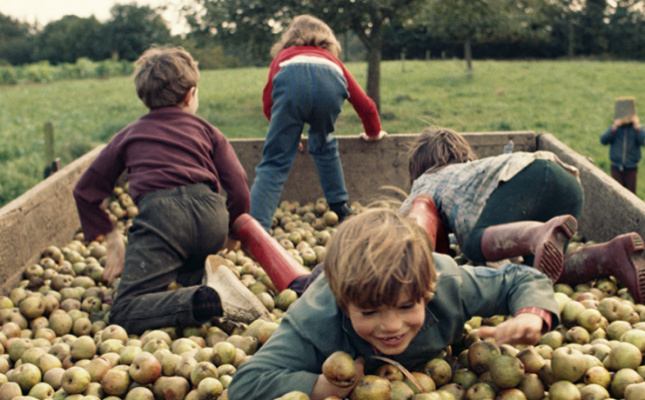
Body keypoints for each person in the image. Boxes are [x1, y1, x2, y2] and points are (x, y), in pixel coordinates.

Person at [226, 208, 559, 400]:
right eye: (369, 313)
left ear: (427, 292)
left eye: (405, 308)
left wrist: (531, 313)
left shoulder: (449, 285)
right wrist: (319, 386)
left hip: (402, 274)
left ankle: (425, 201)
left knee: (418, 227)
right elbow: (246, 383)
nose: (391, 326)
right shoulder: (315, 322)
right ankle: (248, 226)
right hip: (319, 284)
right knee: (294, 280)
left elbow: (519, 278)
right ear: (344, 306)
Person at [72, 46, 269, 335]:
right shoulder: (208, 131)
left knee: (124, 309)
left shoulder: (128, 135)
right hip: (211, 215)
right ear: (190, 94)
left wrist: (113, 237)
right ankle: (205, 283)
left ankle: (204, 300)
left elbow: (85, 191)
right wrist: (231, 231)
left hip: (162, 219)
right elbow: (238, 185)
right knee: (184, 267)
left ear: (144, 97)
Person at [398, 127, 645, 305]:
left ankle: (537, 234)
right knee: (542, 271)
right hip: (564, 180)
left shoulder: (428, 180)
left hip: (525, 179)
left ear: (420, 168)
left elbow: (408, 222)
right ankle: (610, 256)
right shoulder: (476, 173)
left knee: (474, 244)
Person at [249, 14, 388, 232]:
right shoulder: (333, 62)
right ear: (328, 41)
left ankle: (257, 228)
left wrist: (284, 136)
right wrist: (374, 132)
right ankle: (340, 207)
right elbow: (365, 104)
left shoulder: (283, 57)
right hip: (329, 87)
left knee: (275, 163)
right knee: (324, 144)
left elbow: (269, 100)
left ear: (291, 38)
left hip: (291, 84)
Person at [600, 103, 645, 195]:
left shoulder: (636, 129)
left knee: (630, 193)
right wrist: (614, 127)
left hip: (631, 167)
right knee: (616, 192)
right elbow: (603, 140)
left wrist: (637, 127)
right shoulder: (615, 129)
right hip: (616, 166)